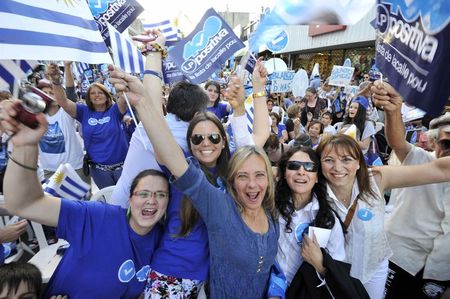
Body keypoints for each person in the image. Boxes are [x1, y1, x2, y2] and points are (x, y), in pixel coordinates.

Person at [110, 52, 279, 298]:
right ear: (189, 143)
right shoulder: (184, 168)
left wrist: (258, 89)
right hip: (175, 271)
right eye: (197, 138)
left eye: (213, 137)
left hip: (212, 275)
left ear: (223, 142)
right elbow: (158, 129)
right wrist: (143, 100)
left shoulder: (233, 170)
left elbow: (259, 137)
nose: (205, 143)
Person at [1, 100, 169, 298]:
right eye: (143, 193)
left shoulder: (163, 240)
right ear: (130, 199)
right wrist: (25, 146)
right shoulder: (98, 217)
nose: (151, 200)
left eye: (161, 194)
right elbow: (24, 203)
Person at [315, 133, 450, 299]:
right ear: (319, 164)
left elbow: (440, 170)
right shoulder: (312, 191)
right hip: (335, 272)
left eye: (346, 159)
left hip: (373, 269)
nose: (337, 167)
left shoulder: (376, 180)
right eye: (329, 160)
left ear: (358, 162)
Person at [371, 82, 450, 299]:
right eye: (447, 144)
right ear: (434, 143)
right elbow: (397, 142)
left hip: (439, 269)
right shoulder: (420, 160)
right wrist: (393, 109)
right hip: (400, 257)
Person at [110, 77, 208, 206]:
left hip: (119, 201)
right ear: (196, 115)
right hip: (141, 213)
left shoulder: (145, 125)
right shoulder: (189, 141)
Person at [47, 63, 129, 189]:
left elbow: (123, 96)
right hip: (99, 171)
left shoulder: (115, 110)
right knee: (108, 203)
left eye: (100, 92)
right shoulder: (83, 112)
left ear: (107, 96)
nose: (97, 95)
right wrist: (56, 81)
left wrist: (119, 77)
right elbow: (63, 101)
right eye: (93, 93)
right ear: (88, 98)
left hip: (123, 169)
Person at [275, 146, 345, 287]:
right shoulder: (270, 208)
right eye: (293, 166)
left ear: (317, 176)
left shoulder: (327, 219)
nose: (301, 172)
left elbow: (339, 268)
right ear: (284, 173)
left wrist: (319, 264)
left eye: (309, 167)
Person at [36, 75, 86, 184]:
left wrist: (67, 67)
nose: (48, 96)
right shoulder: (36, 117)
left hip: (74, 168)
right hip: (49, 171)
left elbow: (70, 92)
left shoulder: (66, 112)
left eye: (52, 93)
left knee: (82, 200)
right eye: (45, 93)